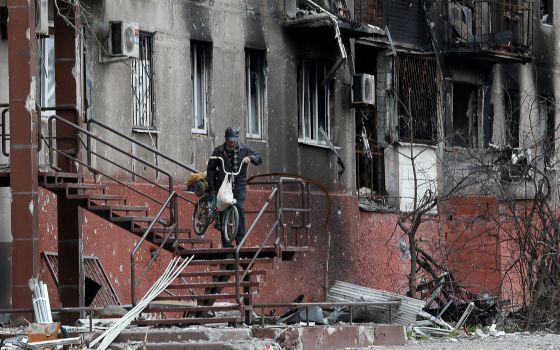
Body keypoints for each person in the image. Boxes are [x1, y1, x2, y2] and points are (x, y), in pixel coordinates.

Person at [207, 127, 262, 247]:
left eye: (234, 140)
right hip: (223, 185)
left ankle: (240, 241)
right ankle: (226, 242)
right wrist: (212, 187)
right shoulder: (218, 151)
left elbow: (259, 158)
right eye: (230, 140)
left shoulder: (245, 149)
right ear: (226, 139)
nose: (232, 143)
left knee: (239, 209)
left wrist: (251, 158)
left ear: (237, 139)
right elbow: (210, 169)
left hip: (239, 185)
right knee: (223, 209)